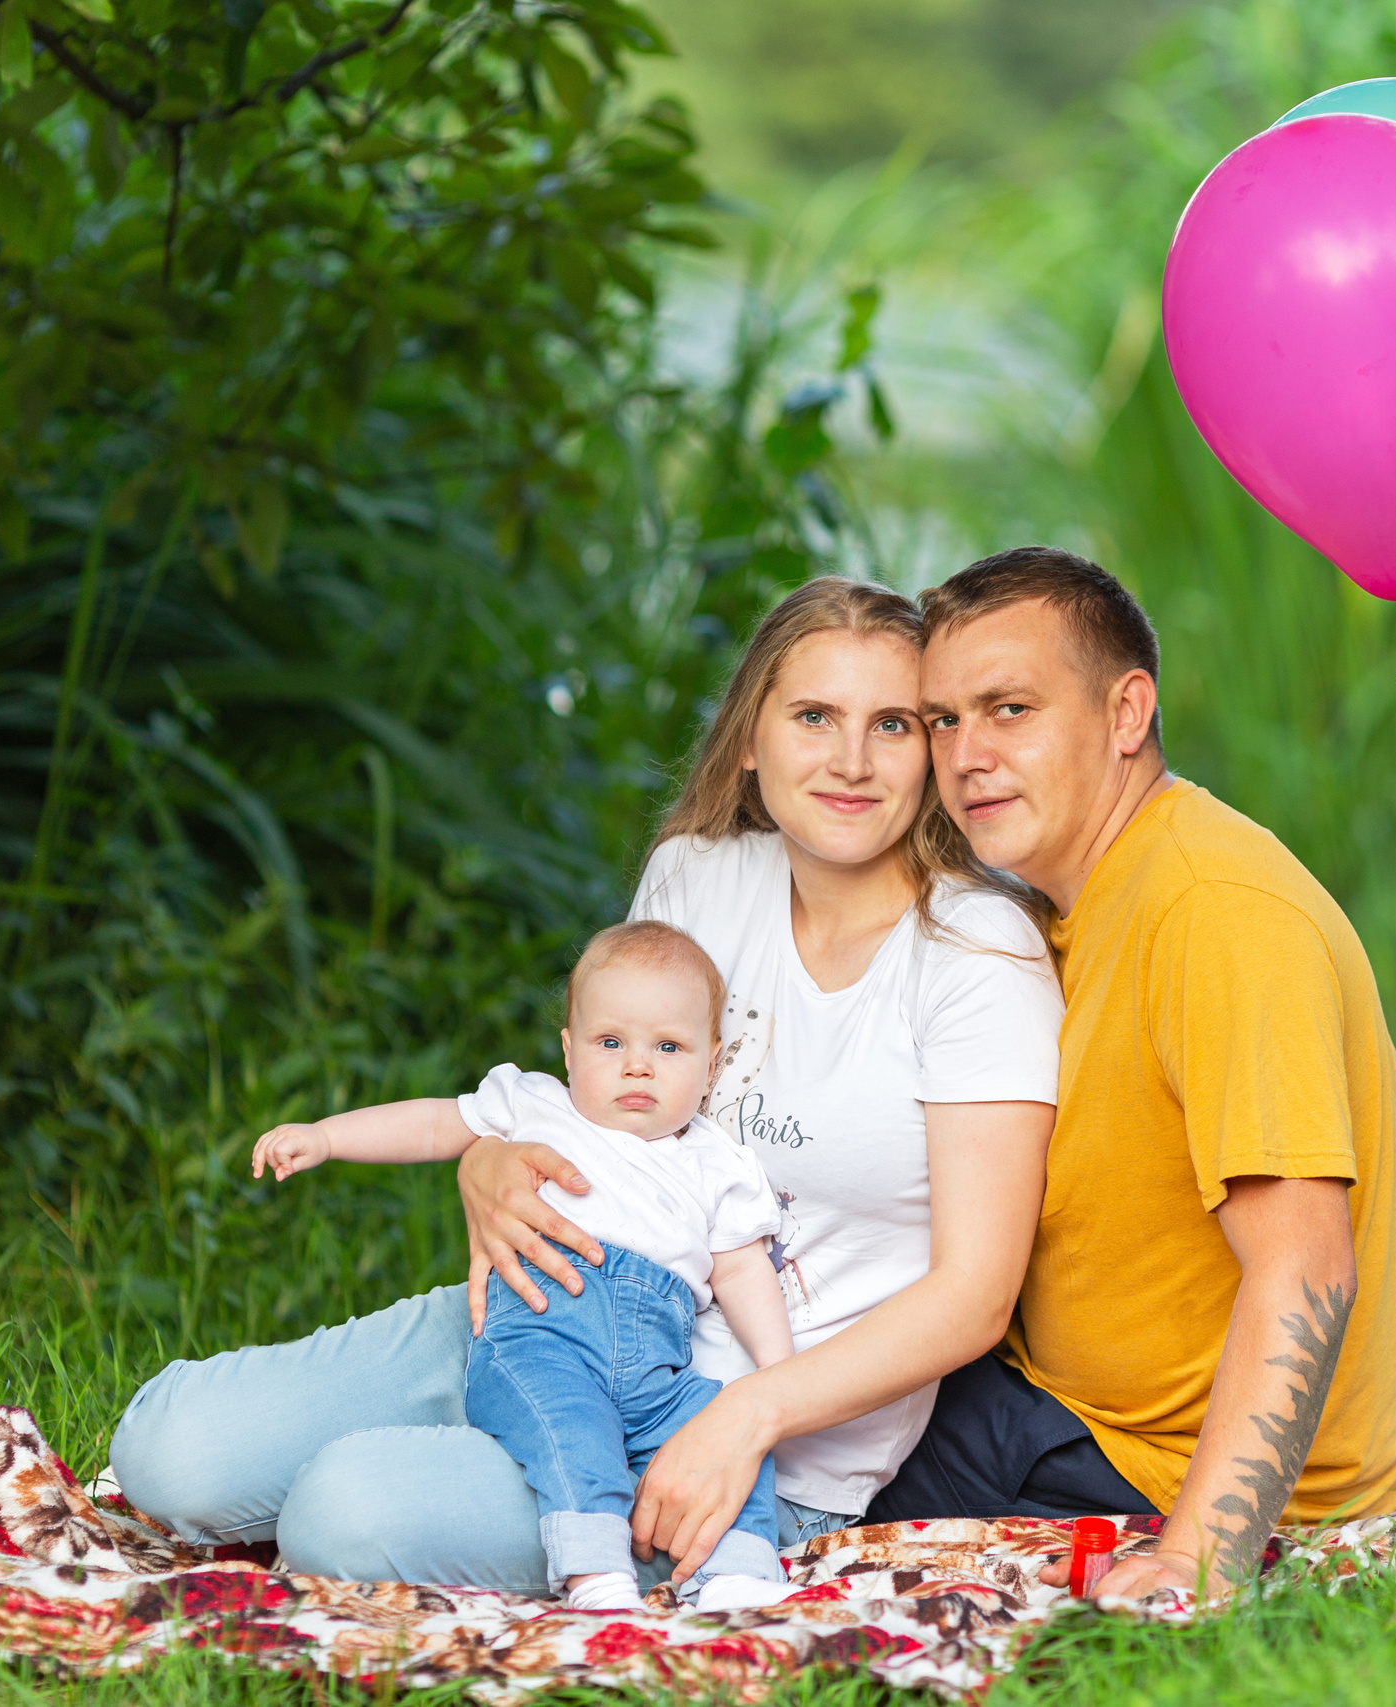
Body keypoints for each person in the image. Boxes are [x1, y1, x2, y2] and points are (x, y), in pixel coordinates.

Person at [109, 578, 1062, 1592]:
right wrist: (489, 1159)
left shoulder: (976, 955)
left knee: (344, 1513)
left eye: (893, 725)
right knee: (171, 1455)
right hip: (547, 1311)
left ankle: (460, 1487)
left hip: (745, 1440)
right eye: (814, 716)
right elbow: (604, 1099)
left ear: (934, 748)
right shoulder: (699, 876)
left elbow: (974, 1297)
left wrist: (751, 1412)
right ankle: (452, 1455)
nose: (851, 761)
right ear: (751, 737)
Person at [873, 546, 1396, 1601]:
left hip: (1151, 1462)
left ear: (1126, 713)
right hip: (1076, 1411)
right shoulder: (1077, 895)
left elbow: (1307, 1266)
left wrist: (1198, 1555)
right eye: (943, 720)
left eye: (1009, 709)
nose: (966, 757)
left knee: (784, 1464)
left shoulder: (1212, 909)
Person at [248, 920, 796, 1612]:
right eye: (610, 1042)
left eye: (668, 1046)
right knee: (572, 1430)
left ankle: (739, 1569)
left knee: (723, 1423)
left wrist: (781, 1376)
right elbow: (436, 1123)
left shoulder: (717, 1162)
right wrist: (328, 1136)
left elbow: (741, 1271)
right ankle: (595, 1571)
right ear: (568, 1051)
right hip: (543, 1337)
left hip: (657, 1368)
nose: (637, 1066)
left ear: (711, 1064)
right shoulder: (537, 1106)